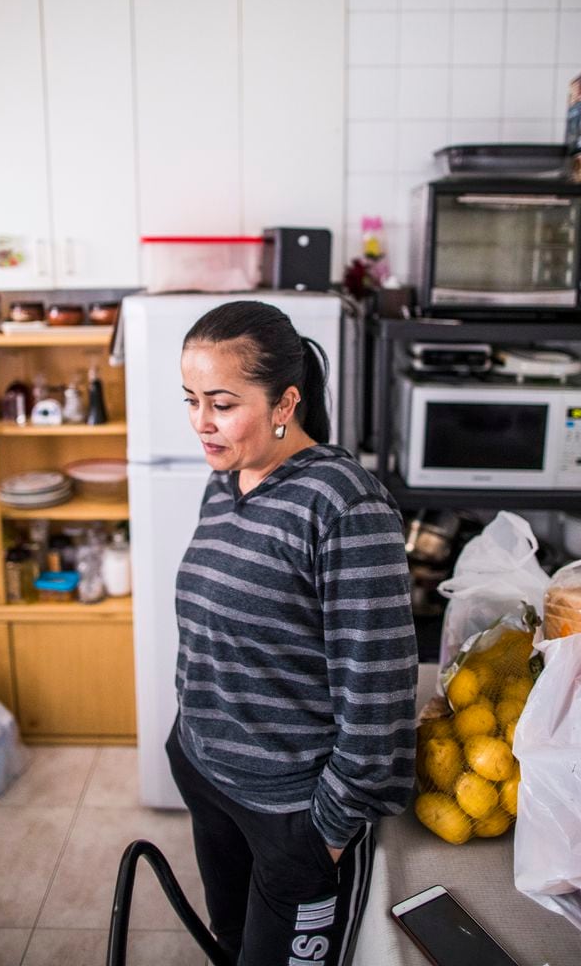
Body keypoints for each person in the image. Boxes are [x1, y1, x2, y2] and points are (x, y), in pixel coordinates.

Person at [166, 299, 418, 966]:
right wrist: (187, 739)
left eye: (221, 403)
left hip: (292, 815)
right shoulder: (226, 481)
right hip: (209, 777)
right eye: (190, 399)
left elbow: (380, 705)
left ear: (285, 404)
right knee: (234, 945)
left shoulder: (345, 506)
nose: (201, 423)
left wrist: (322, 835)